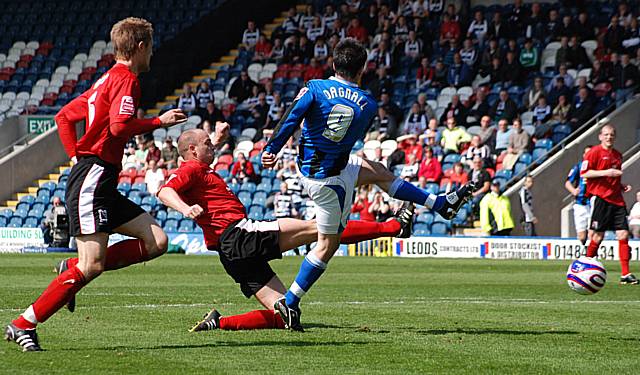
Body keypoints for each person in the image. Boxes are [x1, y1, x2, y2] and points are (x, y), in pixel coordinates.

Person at [261, 38, 475, 330]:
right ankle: (290, 302)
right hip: (330, 181)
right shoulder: (368, 103)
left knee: (379, 171)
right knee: (327, 245)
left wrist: (271, 149)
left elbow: (292, 117)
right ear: (363, 69)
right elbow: (348, 136)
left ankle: (440, 203)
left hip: (319, 170)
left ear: (334, 63)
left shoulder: (314, 88)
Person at [4, 17, 188, 352]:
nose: (152, 55)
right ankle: (23, 323)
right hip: (94, 176)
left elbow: (64, 116)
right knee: (93, 265)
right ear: (141, 47)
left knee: (157, 240)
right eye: (151, 48)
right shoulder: (126, 80)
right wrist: (157, 122)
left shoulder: (104, 81)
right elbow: (119, 128)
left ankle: (71, 268)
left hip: (99, 177)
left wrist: (76, 157)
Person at [156, 127, 414, 332]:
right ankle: (394, 226)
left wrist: (219, 140)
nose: (212, 146)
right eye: (207, 144)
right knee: (322, 227)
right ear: (192, 150)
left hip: (231, 254)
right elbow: (164, 191)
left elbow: (200, 160)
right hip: (240, 235)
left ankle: (217, 322)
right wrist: (184, 209)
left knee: (285, 315)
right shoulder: (191, 167)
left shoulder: (199, 167)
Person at [581, 124, 637, 284]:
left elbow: (613, 177)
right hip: (601, 199)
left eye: (611, 134)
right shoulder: (594, 153)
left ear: (615, 136)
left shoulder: (618, 155)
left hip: (617, 200)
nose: (609, 137)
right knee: (598, 236)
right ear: (600, 136)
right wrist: (607, 172)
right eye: (606, 134)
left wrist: (620, 186)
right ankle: (585, 264)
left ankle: (625, 274)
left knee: (623, 234)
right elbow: (585, 173)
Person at [565, 145, 592, 244]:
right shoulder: (578, 167)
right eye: (587, 153)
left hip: (592, 203)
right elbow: (567, 182)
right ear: (584, 155)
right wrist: (573, 191)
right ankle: (583, 253)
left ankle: (591, 256)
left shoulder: (598, 167)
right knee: (581, 236)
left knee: (592, 233)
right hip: (580, 204)